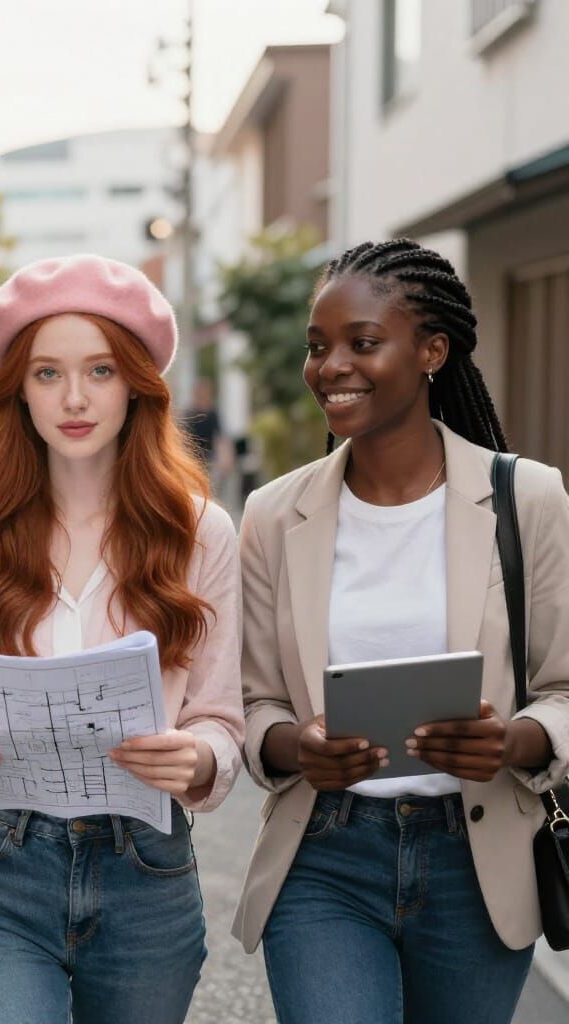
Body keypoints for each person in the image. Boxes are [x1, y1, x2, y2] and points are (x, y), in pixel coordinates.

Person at [231, 239, 569, 1024]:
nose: (331, 366)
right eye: (318, 347)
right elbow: (253, 704)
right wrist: (296, 746)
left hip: (476, 861)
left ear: (432, 351)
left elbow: (562, 688)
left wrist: (515, 742)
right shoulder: (275, 516)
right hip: (325, 854)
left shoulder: (529, 499)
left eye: (363, 342)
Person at [0, 254, 245, 1023]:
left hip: (147, 865)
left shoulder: (203, 533)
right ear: (16, 391)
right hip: (0, 859)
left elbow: (222, 719)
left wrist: (195, 755)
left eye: (99, 369)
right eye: (47, 374)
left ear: (136, 383)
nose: (74, 398)